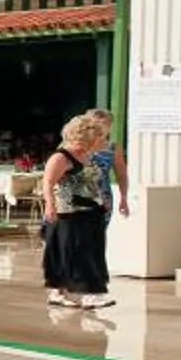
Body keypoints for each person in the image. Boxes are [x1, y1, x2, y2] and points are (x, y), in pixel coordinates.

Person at [40, 109, 129, 308]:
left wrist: (104, 200)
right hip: (68, 213)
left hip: (90, 212)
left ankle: (74, 292)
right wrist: (50, 206)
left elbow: (94, 181)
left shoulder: (89, 156)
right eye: (97, 134)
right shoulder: (61, 156)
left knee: (88, 252)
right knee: (76, 252)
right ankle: (84, 293)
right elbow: (47, 182)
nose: (101, 139)